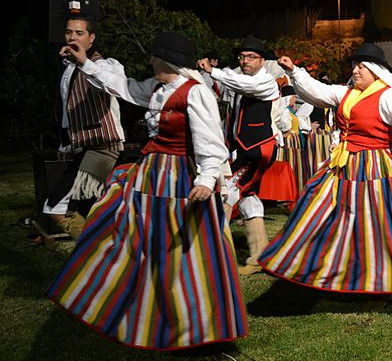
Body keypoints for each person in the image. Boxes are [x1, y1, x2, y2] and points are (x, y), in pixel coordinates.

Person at [48, 31, 247, 350]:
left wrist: (207, 180)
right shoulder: (155, 88)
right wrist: (84, 62)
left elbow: (211, 141)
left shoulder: (195, 93)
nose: (150, 60)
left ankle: (193, 321)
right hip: (148, 173)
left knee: (182, 249)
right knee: (125, 230)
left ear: (166, 59)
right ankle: (127, 298)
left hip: (177, 177)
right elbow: (120, 85)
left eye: (155, 56)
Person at [257, 43, 392, 295]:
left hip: (375, 166)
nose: (355, 71)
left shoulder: (388, 95)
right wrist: (295, 72)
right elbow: (317, 91)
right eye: (354, 66)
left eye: (361, 66)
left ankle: (383, 275)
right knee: (317, 203)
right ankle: (317, 263)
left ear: (376, 70)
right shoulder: (346, 93)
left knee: (375, 221)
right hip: (343, 162)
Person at [197, 35, 291, 275]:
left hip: (258, 150)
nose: (246, 60)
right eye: (242, 56)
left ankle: (208, 251)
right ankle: (258, 256)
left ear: (262, 60)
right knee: (249, 198)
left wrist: (213, 71)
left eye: (251, 57)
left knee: (227, 190)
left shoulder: (265, 81)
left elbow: (243, 86)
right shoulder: (239, 79)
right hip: (246, 147)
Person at [44, 14, 126, 240]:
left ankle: (99, 250)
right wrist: (65, 144)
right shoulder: (67, 68)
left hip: (103, 147)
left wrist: (84, 63)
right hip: (84, 148)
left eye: (79, 33)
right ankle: (106, 250)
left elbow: (115, 85)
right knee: (91, 208)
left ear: (91, 38)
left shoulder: (104, 64)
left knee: (56, 207)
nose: (73, 37)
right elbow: (67, 111)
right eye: (69, 32)